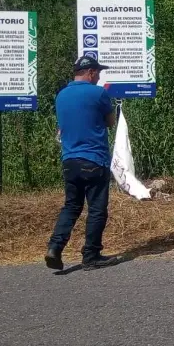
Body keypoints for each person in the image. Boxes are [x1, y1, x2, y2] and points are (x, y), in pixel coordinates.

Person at [44, 56, 121, 271]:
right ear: (90, 72)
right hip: (94, 159)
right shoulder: (98, 93)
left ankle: (55, 247)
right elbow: (109, 122)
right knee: (97, 209)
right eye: (98, 73)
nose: (99, 77)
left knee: (71, 206)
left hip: (69, 160)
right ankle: (91, 255)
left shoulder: (61, 95)